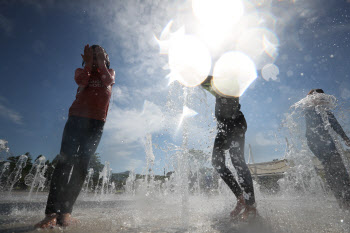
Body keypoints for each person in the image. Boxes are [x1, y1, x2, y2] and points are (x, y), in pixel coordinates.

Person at [35, 44, 115, 228]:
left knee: (82, 165)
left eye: (100, 55)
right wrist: (88, 64)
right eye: (92, 56)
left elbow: (108, 81)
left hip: (97, 122)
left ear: (106, 58)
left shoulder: (109, 72)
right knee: (65, 162)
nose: (96, 59)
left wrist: (101, 63)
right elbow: (81, 81)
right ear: (85, 58)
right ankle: (51, 213)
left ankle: (66, 212)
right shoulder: (81, 70)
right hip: (77, 119)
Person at [201, 76, 256, 220]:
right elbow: (203, 81)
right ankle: (240, 197)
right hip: (223, 129)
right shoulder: (216, 85)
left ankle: (251, 205)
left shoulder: (232, 83)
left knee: (237, 161)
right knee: (217, 162)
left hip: (236, 125)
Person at [305, 89, 350, 209]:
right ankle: (344, 200)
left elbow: (335, 124)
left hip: (327, 144)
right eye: (317, 97)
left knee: (336, 168)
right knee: (333, 168)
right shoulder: (309, 110)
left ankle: (345, 200)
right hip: (317, 145)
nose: (321, 100)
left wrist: (345, 138)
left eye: (321, 97)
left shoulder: (325, 111)